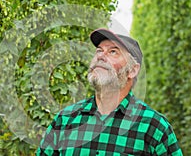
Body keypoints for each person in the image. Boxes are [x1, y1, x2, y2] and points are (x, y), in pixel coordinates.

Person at [36, 28, 183, 155]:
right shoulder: (65, 120)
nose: (101, 56)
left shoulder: (154, 126)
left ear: (132, 70)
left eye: (113, 52)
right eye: (99, 51)